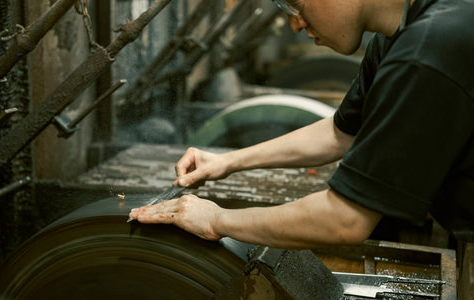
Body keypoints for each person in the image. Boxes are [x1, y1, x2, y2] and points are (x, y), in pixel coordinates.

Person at [130, 0, 474, 295]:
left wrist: (217, 219)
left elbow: (345, 220)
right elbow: (342, 132)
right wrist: (228, 162)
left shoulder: (429, 47)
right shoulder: (400, 36)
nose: (294, 24)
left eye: (297, 5)